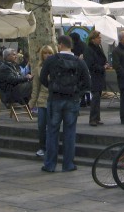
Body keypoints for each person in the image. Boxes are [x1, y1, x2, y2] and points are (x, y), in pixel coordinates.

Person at [39, 34, 91, 172]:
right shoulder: (79, 61)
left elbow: (42, 78)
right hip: (72, 100)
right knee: (70, 132)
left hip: (55, 99)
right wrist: (77, 93)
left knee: (52, 132)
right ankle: (68, 164)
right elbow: (87, 82)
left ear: (60, 44)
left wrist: (51, 87)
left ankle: (50, 165)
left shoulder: (51, 60)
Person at [30, 45, 54, 157]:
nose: (47, 55)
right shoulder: (38, 69)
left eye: (49, 53)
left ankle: (51, 147)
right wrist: (31, 103)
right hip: (42, 100)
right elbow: (36, 87)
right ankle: (42, 147)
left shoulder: (56, 67)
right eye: (45, 53)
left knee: (52, 125)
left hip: (53, 100)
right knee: (41, 125)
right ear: (42, 55)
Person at [83, 30, 110, 126]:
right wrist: (102, 67)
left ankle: (97, 118)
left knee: (98, 98)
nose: (100, 39)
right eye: (99, 38)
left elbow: (101, 59)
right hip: (94, 76)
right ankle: (93, 119)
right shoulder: (89, 49)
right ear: (93, 39)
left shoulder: (98, 48)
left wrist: (105, 64)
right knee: (95, 98)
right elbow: (90, 64)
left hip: (99, 76)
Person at [70, 32, 90, 107]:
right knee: (85, 83)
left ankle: (83, 100)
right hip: (85, 66)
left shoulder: (74, 46)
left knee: (79, 83)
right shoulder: (84, 44)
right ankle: (87, 100)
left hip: (77, 67)